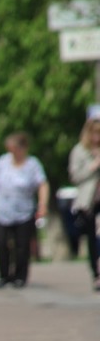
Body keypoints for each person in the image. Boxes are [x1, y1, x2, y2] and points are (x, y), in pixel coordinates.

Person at [0, 132, 49, 288]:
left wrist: (43, 204)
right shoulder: (3, 161)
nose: (13, 152)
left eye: (15, 148)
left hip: (24, 211)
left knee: (22, 245)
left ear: (23, 148)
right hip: (1, 210)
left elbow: (42, 184)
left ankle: (20, 276)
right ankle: (3, 275)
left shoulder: (32, 164)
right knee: (1, 243)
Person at [68, 117, 100, 291]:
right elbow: (75, 176)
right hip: (89, 201)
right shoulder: (80, 151)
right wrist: (93, 166)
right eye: (94, 133)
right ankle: (96, 274)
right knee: (93, 240)